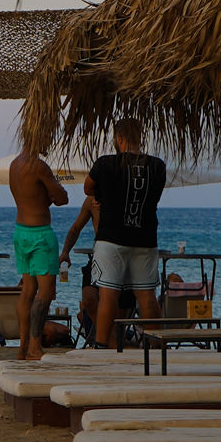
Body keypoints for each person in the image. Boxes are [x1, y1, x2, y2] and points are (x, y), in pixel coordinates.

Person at [85, 120, 166, 348]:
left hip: (110, 237)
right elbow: (155, 197)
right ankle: (156, 346)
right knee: (146, 295)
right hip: (145, 238)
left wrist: (102, 195)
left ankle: (102, 345)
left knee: (108, 294)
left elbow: (87, 187)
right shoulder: (157, 166)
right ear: (140, 137)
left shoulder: (105, 163)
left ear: (118, 139)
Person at [8, 150, 69, 361]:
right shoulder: (39, 166)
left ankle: (22, 348)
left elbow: (32, 197)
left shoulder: (14, 165)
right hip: (40, 233)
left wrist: (46, 196)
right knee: (46, 292)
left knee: (28, 290)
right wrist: (55, 190)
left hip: (20, 230)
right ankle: (35, 346)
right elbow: (62, 198)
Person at [58, 195, 101, 343]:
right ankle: (100, 335)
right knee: (88, 299)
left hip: (122, 256)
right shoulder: (92, 200)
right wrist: (65, 252)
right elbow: (76, 228)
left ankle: (108, 336)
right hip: (99, 256)